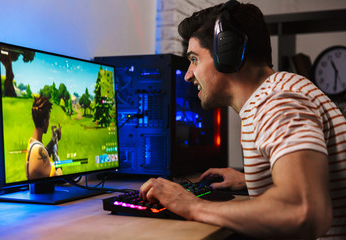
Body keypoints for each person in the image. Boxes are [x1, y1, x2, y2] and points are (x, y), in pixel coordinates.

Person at [139, 0, 346, 239]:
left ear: (227, 54)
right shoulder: (279, 93)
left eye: (194, 59)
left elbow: (304, 211)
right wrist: (250, 180)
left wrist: (191, 205)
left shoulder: (278, 104)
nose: (187, 75)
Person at [25, 96, 62, 180]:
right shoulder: (38, 150)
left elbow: (44, 153)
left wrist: (53, 141)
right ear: (45, 121)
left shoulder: (32, 143)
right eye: (48, 119)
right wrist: (56, 155)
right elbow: (60, 178)